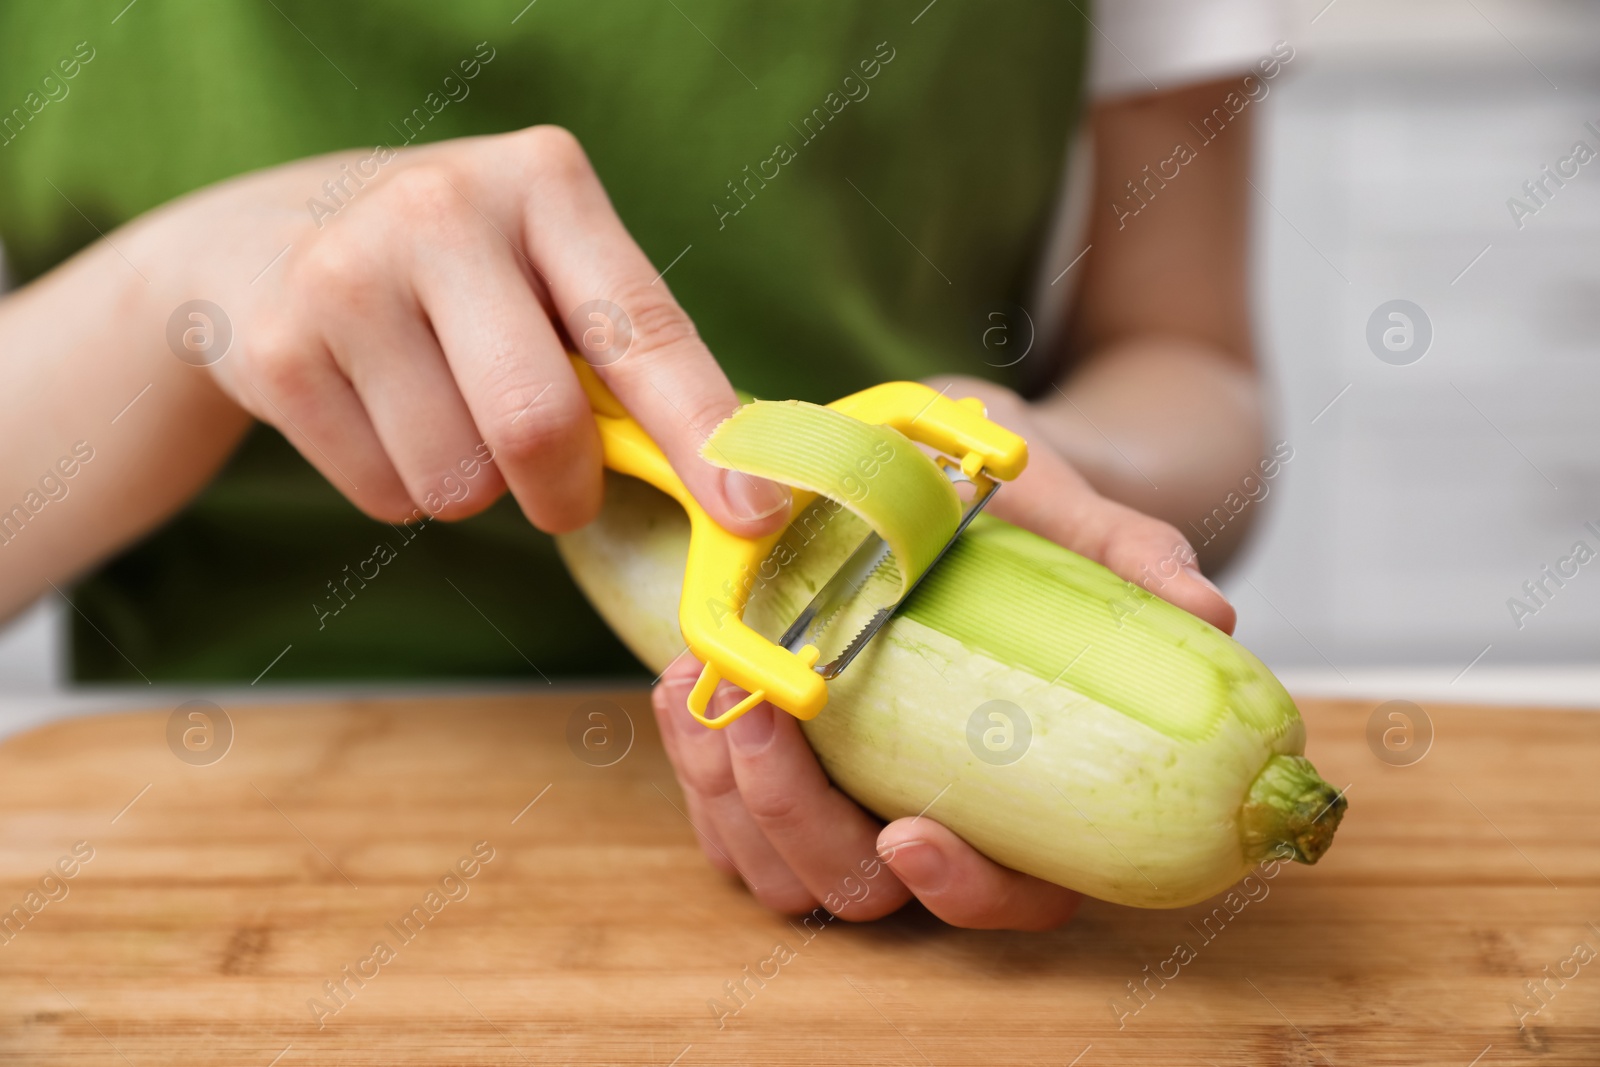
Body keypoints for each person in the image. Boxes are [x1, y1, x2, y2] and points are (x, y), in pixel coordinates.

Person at [0, 1, 1284, 929]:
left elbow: (1187, 354)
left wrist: (1065, 456)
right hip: (197, 817)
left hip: (907, 594)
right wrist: (170, 296)